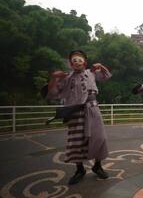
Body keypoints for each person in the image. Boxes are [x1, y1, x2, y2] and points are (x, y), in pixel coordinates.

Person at [46, 50, 111, 185]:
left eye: (80, 60)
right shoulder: (67, 78)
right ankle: (79, 169)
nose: (77, 62)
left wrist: (102, 66)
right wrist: (53, 78)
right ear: (71, 64)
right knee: (76, 141)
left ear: (84, 63)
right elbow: (52, 94)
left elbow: (106, 76)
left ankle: (97, 165)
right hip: (75, 111)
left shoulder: (91, 73)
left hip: (92, 108)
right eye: (74, 60)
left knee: (100, 138)